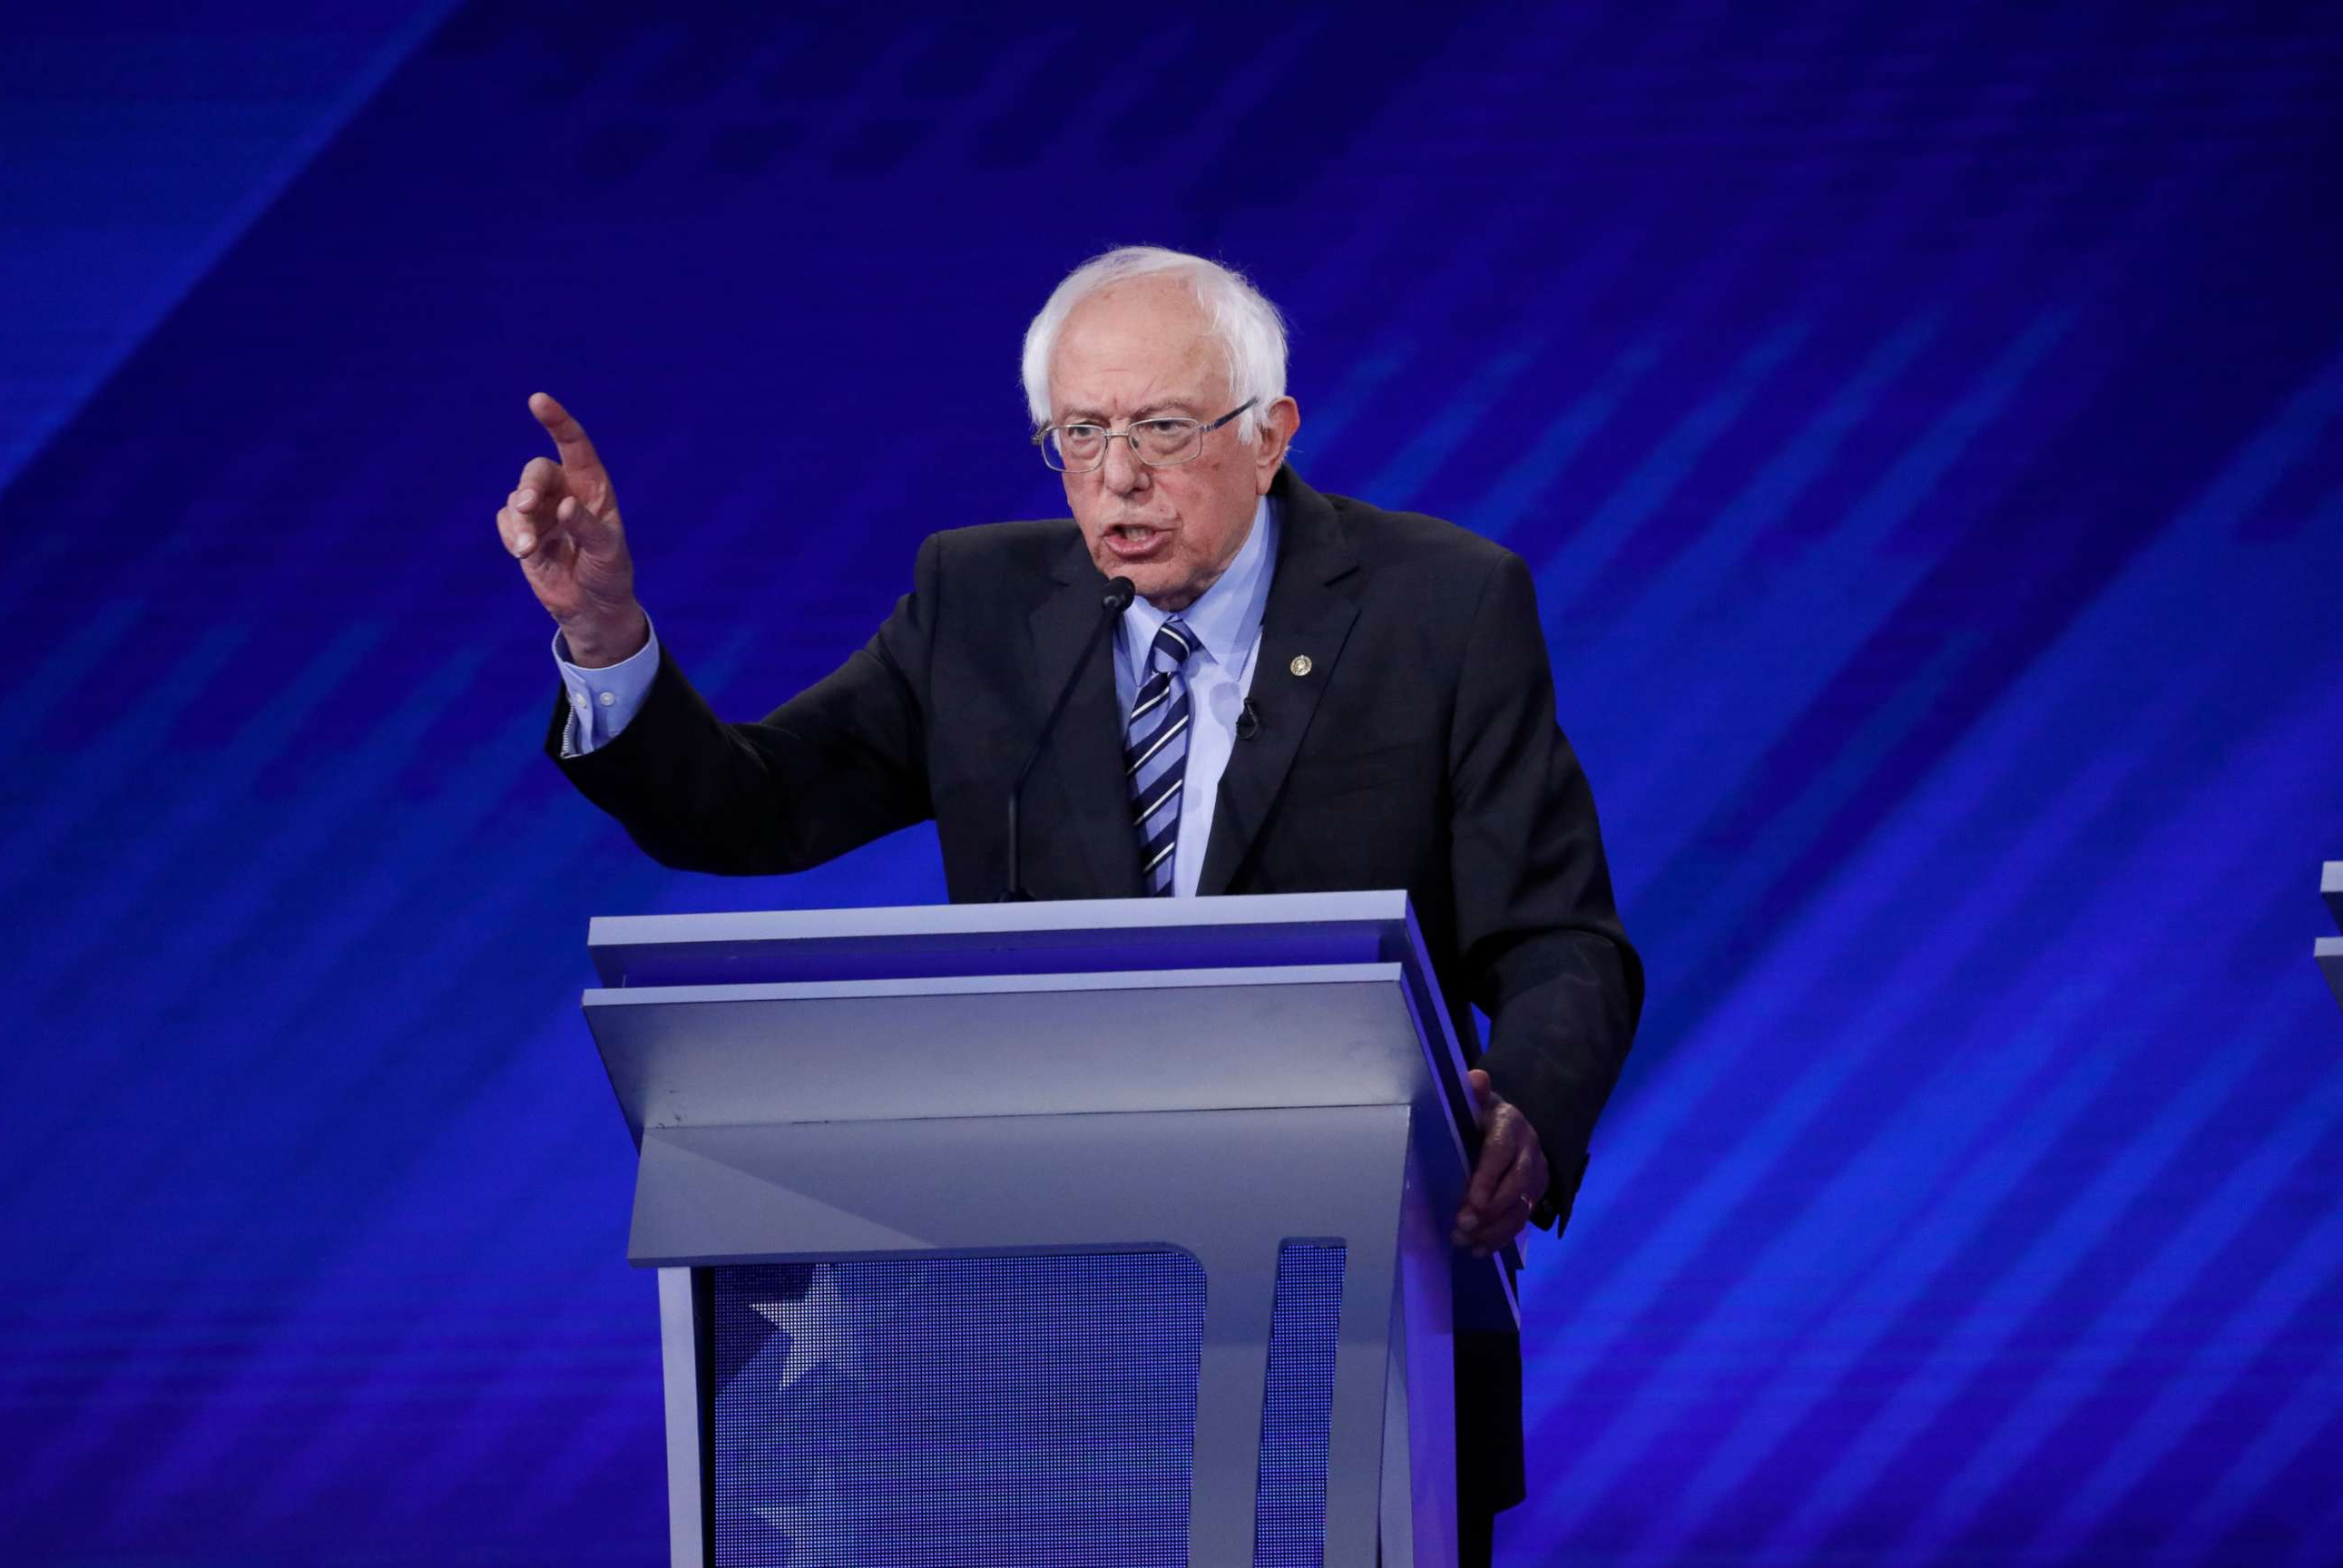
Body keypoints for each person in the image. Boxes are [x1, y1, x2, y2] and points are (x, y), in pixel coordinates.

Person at [497, 245, 1642, 1563]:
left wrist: (1533, 1116)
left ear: (1271, 434)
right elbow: (757, 806)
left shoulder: (1440, 606)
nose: (1117, 477)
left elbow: (1562, 940)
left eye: (1162, 428)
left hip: (1355, 1322)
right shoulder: (980, 605)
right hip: (1035, 1357)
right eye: (1080, 434)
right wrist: (604, 635)